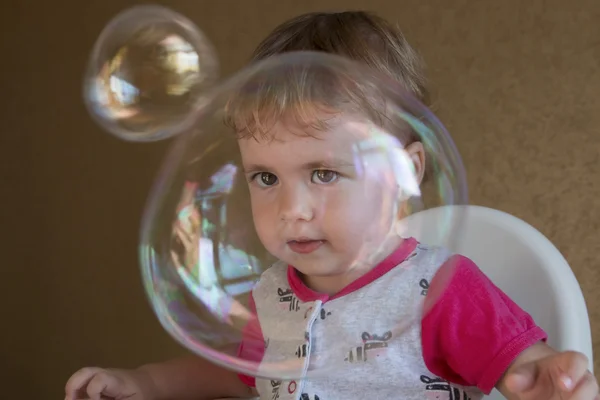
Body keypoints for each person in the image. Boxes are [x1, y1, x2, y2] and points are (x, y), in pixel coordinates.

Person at [65, 11, 598, 400]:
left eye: (323, 173)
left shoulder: (443, 287)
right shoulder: (274, 293)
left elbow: (521, 367)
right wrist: (146, 382)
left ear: (404, 175)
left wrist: (550, 378)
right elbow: (239, 374)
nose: (292, 208)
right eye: (266, 177)